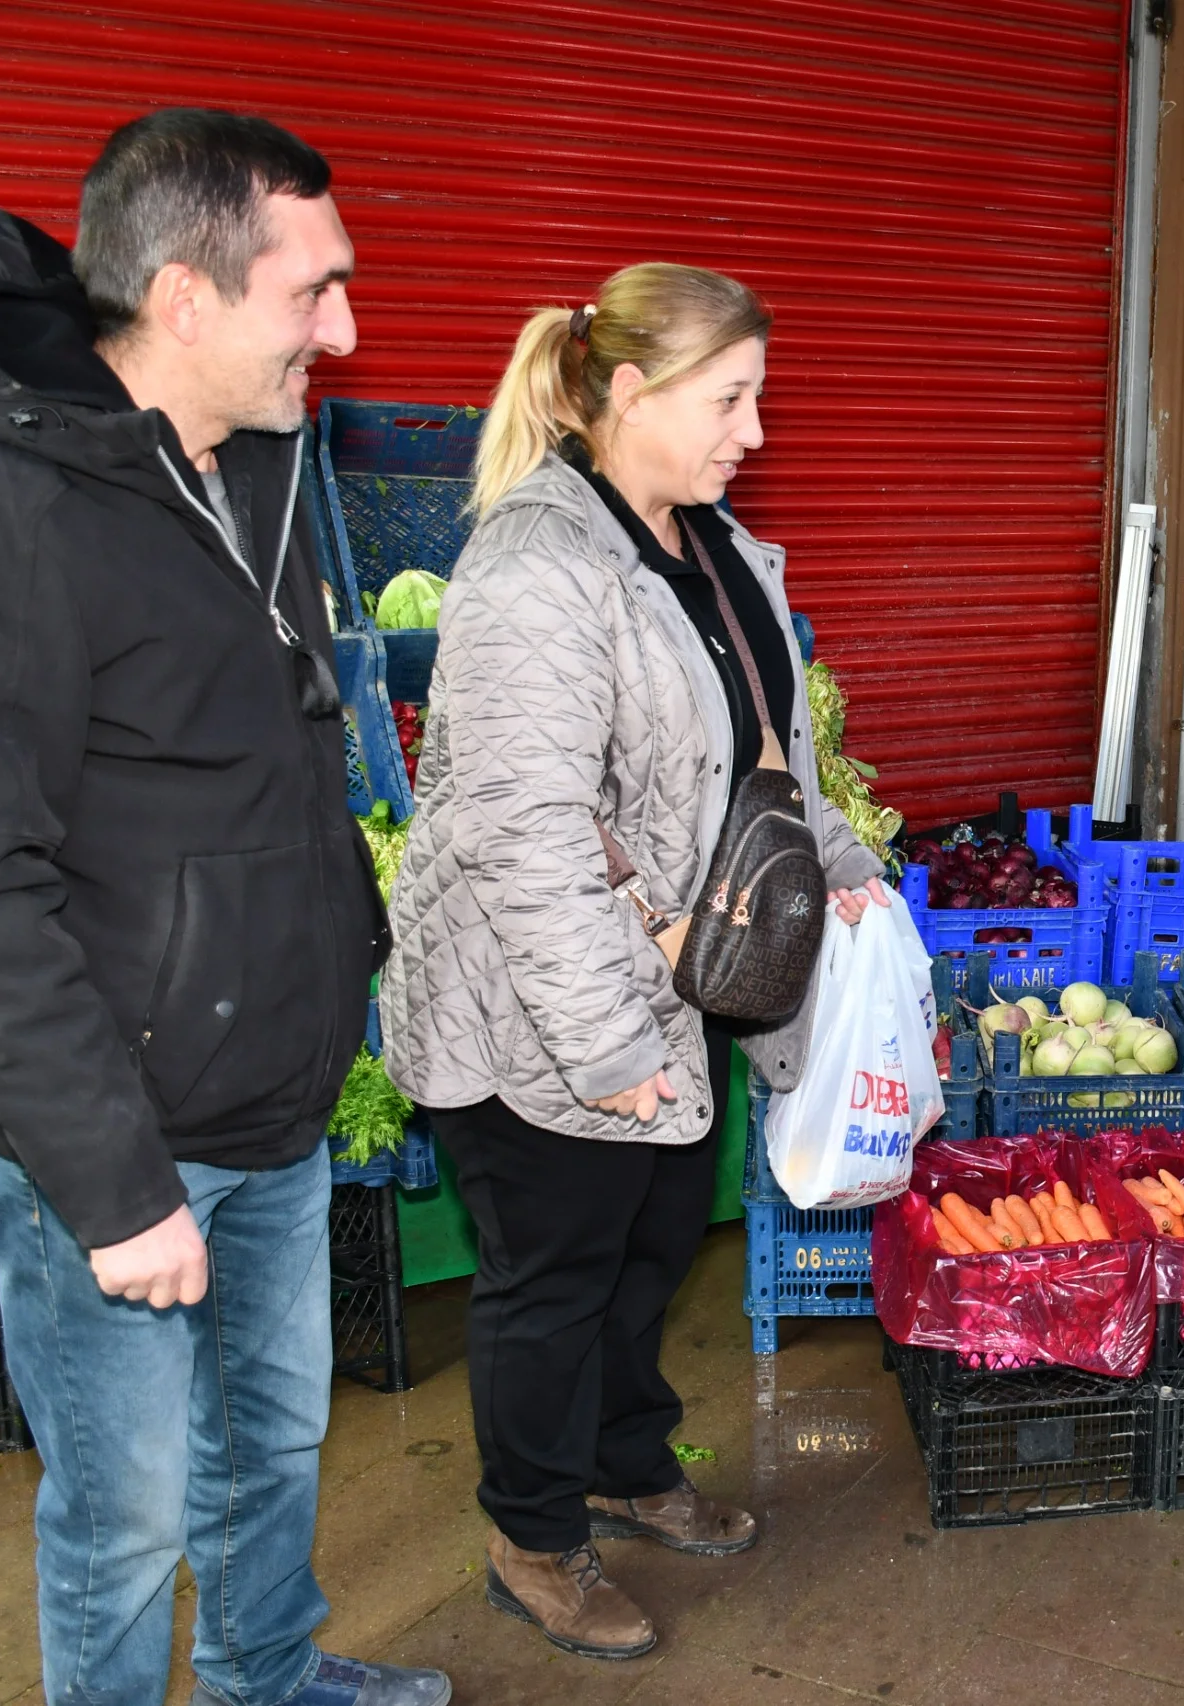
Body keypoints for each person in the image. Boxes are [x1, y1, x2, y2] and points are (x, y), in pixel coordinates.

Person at [0, 112, 448, 1706]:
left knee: (271, 1441)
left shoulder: (248, 457)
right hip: (102, 1138)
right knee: (118, 1519)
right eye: (312, 290)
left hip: (271, 1101)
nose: (346, 327)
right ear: (184, 297)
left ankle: (268, 1676)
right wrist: (118, 1190)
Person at [379, 263, 889, 1663]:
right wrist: (607, 1048)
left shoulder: (709, 548)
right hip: (533, 1004)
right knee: (552, 1271)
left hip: (671, 982)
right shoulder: (541, 564)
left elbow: (762, 756)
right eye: (730, 399)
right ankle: (532, 1534)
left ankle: (622, 1459)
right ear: (624, 391)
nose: (754, 432)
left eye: (758, 400)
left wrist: (856, 879)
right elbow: (524, 834)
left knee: (649, 1243)